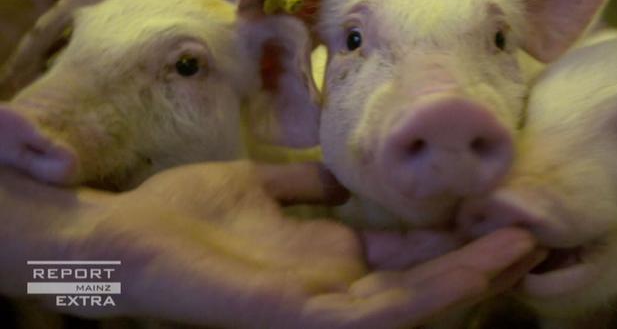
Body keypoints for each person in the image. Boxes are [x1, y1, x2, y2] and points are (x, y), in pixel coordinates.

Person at [0, 161, 541, 328]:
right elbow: (47, 278)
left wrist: (100, 267)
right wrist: (103, 266)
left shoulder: (61, 273)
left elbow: (38, 277)